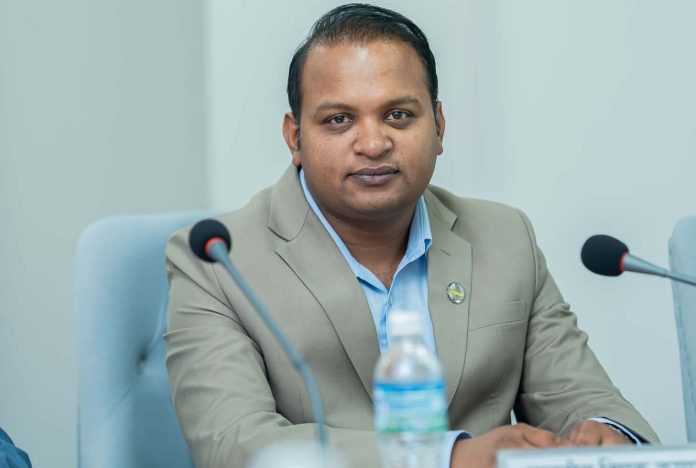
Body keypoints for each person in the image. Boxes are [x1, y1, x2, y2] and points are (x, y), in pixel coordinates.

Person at [164, 4, 659, 467]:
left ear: (438, 126)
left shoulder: (506, 238)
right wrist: (449, 457)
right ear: (295, 137)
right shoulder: (216, 262)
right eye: (339, 120)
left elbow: (582, 396)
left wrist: (610, 434)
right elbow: (236, 444)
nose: (373, 143)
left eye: (398, 115)